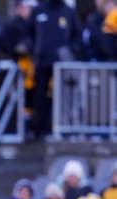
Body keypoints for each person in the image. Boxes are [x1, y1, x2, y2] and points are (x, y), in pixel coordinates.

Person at [30, 0, 81, 138]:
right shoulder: (39, 10)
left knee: (63, 96)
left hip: (62, 65)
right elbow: (29, 33)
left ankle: (63, 128)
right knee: (40, 96)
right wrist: (34, 49)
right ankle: (39, 130)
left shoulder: (69, 11)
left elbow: (77, 36)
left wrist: (70, 50)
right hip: (42, 63)